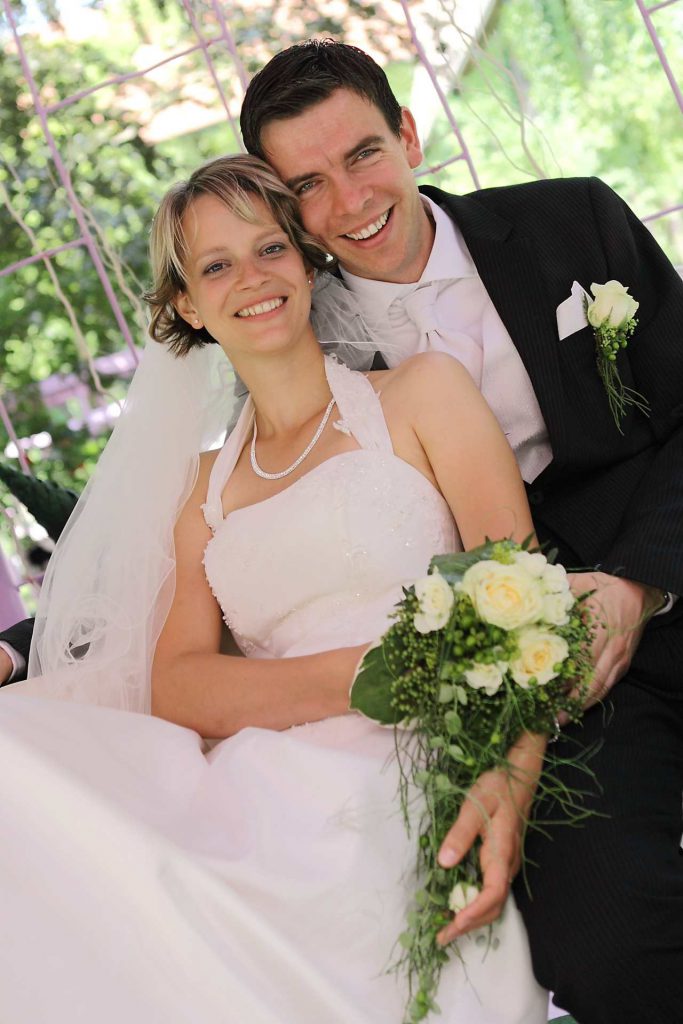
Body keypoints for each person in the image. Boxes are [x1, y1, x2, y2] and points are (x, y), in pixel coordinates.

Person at [0, 155, 550, 1022]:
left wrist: (506, 772)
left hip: (419, 757)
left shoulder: (420, 395)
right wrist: (374, 671)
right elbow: (180, 682)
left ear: (305, 260)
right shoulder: (198, 488)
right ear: (186, 304)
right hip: (268, 762)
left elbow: (525, 604)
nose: (251, 280)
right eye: (216, 266)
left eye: (268, 250)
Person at [238, 39, 683, 1023]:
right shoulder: (300, 350)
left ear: (406, 133)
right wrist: (30, 649)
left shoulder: (573, 219)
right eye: (306, 185)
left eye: (360, 155)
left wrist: (636, 583)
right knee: (606, 952)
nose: (348, 202)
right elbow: (221, 526)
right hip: (547, 686)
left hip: (666, 566)